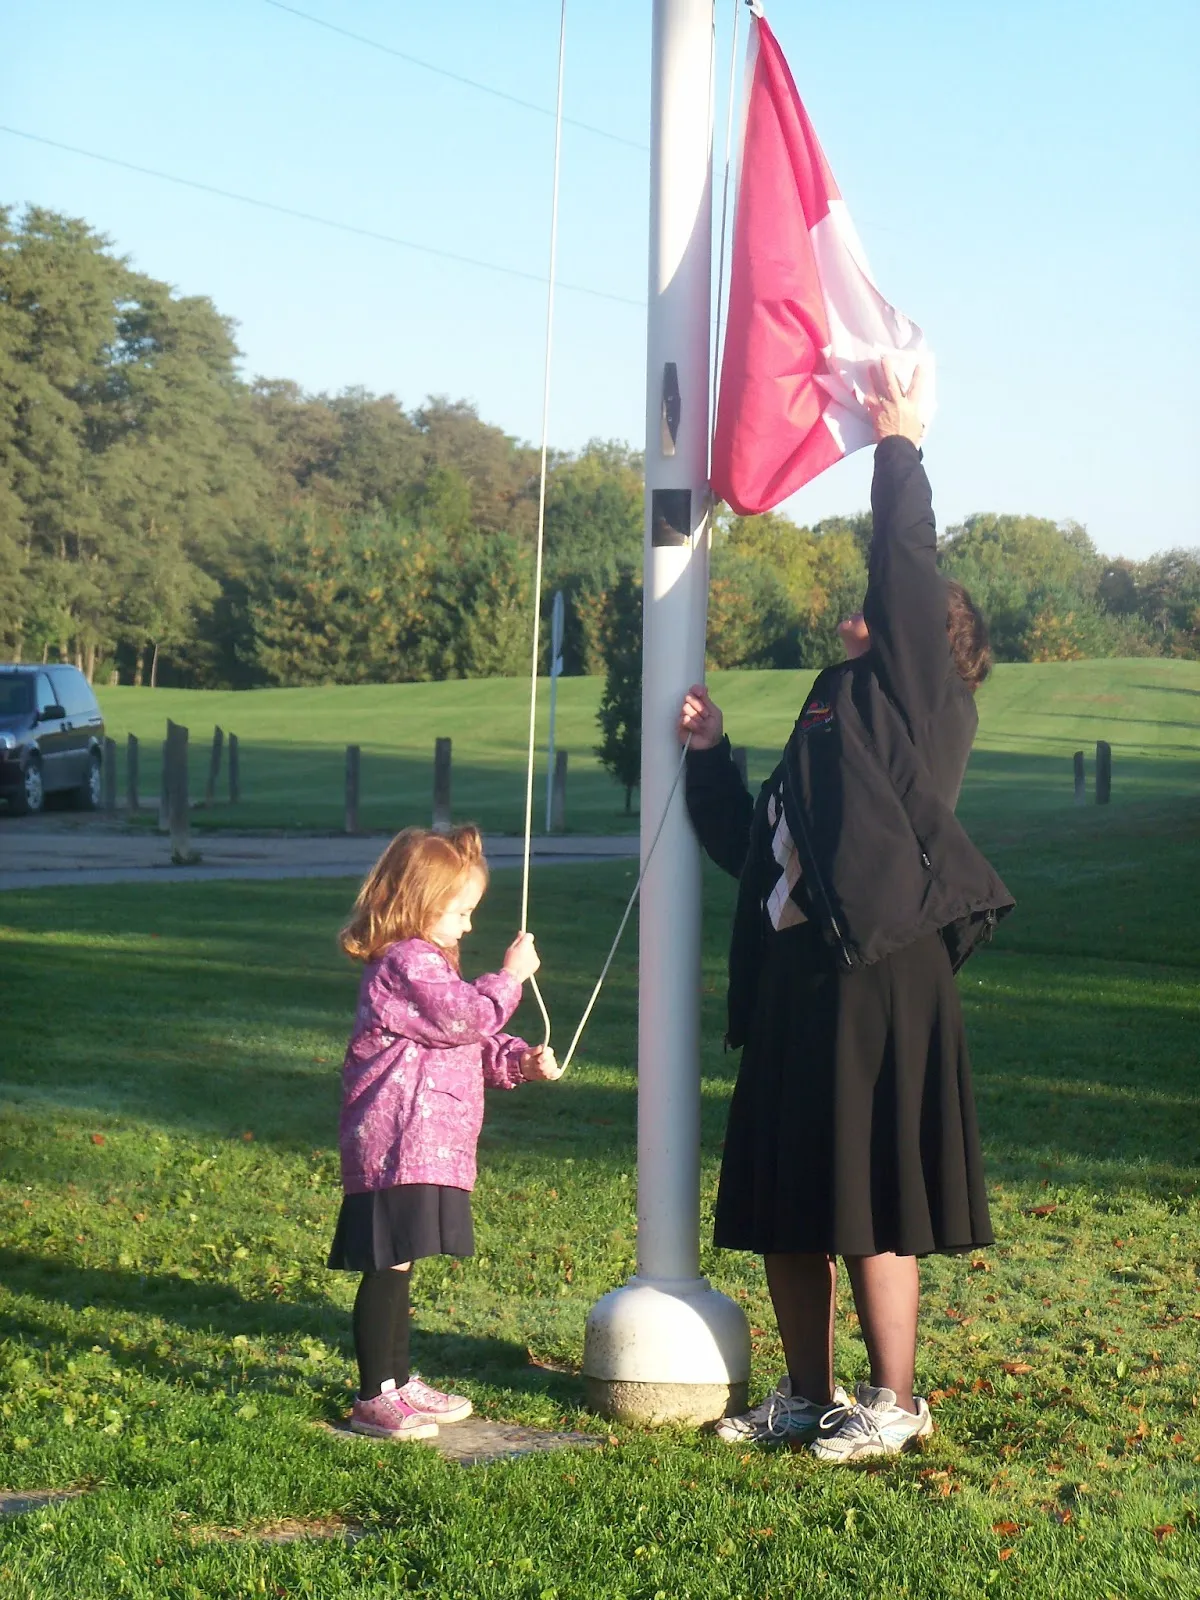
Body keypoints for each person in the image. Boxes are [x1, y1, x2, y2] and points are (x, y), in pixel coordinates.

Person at [680, 362, 1014, 1462]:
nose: (854, 609)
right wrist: (713, 756)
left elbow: (904, 566)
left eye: (874, 607)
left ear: (919, 634)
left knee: (871, 1193)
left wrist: (899, 442)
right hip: (794, 978)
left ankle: (895, 1398)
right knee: (788, 1192)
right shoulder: (831, 719)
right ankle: (808, 1396)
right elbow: (748, 850)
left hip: (881, 974)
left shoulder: (918, 700)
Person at [327, 823, 560, 1441]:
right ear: (423, 904)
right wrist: (511, 976)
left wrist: (519, 1061)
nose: (469, 925)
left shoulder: (431, 965)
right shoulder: (406, 963)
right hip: (396, 1140)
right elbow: (464, 1017)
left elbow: (471, 1038)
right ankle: (375, 1393)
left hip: (426, 1142)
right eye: (462, 911)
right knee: (389, 1262)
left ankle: (399, 1383)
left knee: (401, 1262)